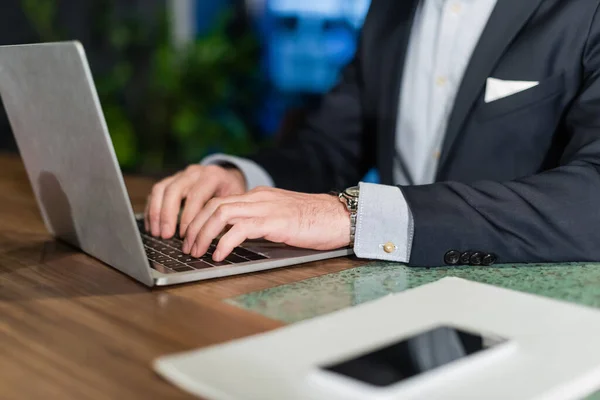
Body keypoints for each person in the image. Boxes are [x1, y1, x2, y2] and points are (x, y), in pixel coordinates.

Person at [145, 0, 600, 267]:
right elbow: (330, 146)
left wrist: (358, 215)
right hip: (390, 301)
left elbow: (591, 199)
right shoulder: (389, 10)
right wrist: (243, 178)